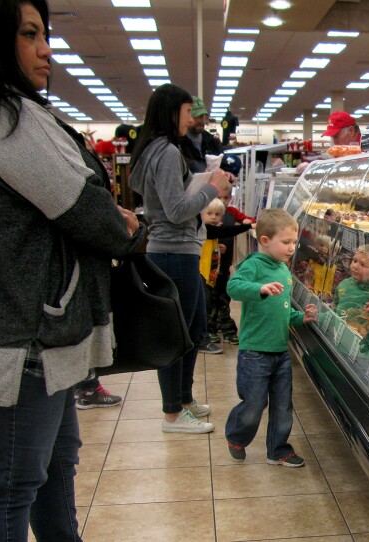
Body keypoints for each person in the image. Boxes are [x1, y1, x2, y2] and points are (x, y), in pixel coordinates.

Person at [0, 1, 146, 539]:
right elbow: (97, 220)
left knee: (52, 472)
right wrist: (126, 225)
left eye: (45, 33)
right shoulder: (8, 120)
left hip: (36, 339)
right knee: (12, 485)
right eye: (29, 34)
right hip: (23, 342)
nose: (47, 49)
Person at [130, 83, 235, 434]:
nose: (192, 119)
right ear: (172, 111)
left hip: (175, 250)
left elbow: (166, 198)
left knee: (192, 329)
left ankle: (184, 399)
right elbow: (176, 210)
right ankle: (173, 414)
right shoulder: (165, 152)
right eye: (189, 111)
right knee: (178, 334)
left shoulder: (155, 150)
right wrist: (212, 189)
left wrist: (204, 181)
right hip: (174, 252)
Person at [225, 209, 318, 464]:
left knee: (282, 405)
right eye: (285, 242)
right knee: (254, 404)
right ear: (265, 240)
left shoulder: (283, 271)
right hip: (254, 352)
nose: (291, 248)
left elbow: (284, 311)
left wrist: (303, 318)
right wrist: (259, 289)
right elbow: (232, 287)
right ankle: (236, 434)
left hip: (280, 351)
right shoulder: (254, 264)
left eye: (294, 242)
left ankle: (278, 450)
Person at [198, 198, 251, 352]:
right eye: (209, 213)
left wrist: (218, 248)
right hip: (203, 275)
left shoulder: (210, 231)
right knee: (207, 303)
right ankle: (205, 333)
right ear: (201, 214)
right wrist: (247, 226)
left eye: (217, 214)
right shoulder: (204, 229)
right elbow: (225, 231)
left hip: (213, 274)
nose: (213, 217)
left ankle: (212, 330)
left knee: (217, 300)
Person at [178, 96, 222, 174]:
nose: (201, 120)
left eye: (202, 116)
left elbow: (222, 166)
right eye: (196, 116)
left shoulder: (212, 141)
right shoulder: (178, 143)